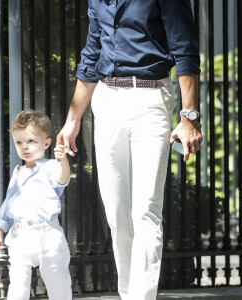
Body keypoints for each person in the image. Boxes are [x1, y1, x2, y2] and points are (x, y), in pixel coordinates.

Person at [57, 0, 202, 299]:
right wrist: (73, 120)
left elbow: (185, 51)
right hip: (107, 98)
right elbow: (91, 55)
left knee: (146, 210)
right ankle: (128, 294)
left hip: (150, 98)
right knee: (117, 213)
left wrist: (189, 116)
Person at [0, 110, 72, 300]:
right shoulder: (18, 171)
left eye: (30, 141)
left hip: (48, 235)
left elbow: (63, 179)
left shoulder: (51, 166)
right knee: (18, 285)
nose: (24, 147)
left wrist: (63, 161)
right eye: (19, 142)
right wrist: (0, 227)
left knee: (58, 282)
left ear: (46, 143)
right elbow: (9, 200)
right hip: (20, 236)